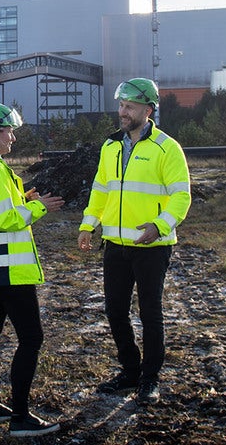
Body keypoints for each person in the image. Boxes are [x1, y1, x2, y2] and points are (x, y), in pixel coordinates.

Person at [76, 78, 192, 406]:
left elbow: (181, 196)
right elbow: (100, 190)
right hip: (115, 244)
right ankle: (130, 371)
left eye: (129, 107)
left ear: (147, 109)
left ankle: (150, 378)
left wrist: (159, 225)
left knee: (150, 313)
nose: (122, 112)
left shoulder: (167, 148)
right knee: (114, 310)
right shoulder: (110, 146)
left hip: (153, 247)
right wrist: (88, 225)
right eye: (121, 106)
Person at [0, 102, 64, 437]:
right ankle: (20, 418)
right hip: (8, 270)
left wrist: (23, 197)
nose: (13, 138)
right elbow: (4, 219)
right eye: (9, 132)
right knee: (32, 338)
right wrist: (37, 207)